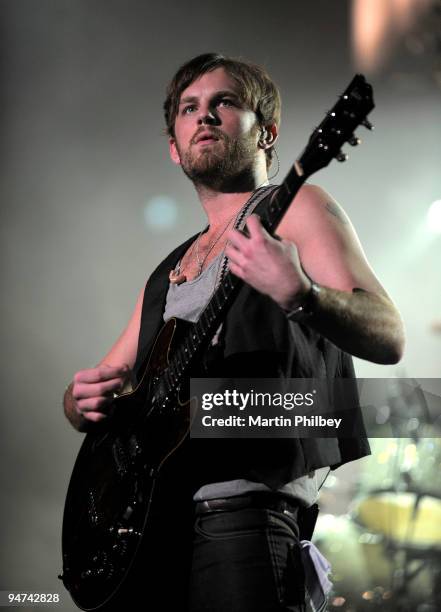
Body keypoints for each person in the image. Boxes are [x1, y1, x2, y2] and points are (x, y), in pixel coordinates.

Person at [63, 53, 405, 611]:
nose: (205, 116)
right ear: (174, 147)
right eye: (189, 108)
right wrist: (82, 401)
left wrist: (303, 295)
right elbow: (103, 388)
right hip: (155, 527)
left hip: (245, 516)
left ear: (267, 131)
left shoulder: (296, 207)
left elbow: (389, 335)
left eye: (225, 102)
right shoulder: (167, 271)